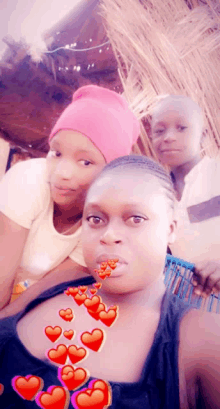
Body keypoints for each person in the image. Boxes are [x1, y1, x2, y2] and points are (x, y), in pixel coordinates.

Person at [0, 155, 220, 409]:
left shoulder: (201, 339)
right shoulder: (58, 285)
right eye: (96, 219)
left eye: (135, 219)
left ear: (170, 229)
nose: (109, 235)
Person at [0, 85, 140, 310]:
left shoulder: (105, 229)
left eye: (85, 162)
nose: (61, 173)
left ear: (110, 173)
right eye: (56, 153)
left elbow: (41, 295)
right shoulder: (28, 180)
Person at [150, 94, 220, 298]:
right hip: (190, 306)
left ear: (203, 134)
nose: (169, 137)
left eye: (182, 128)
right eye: (159, 131)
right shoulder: (156, 194)